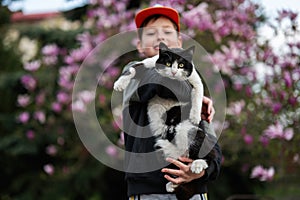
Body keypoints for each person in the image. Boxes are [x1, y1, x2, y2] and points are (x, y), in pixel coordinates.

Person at [121, 4, 222, 200]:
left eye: (167, 32)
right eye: (150, 33)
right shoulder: (133, 72)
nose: (160, 37)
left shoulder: (192, 83)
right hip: (148, 191)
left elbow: (211, 145)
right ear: (140, 45)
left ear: (179, 42)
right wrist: (196, 96)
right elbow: (159, 81)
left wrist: (202, 172)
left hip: (193, 191)